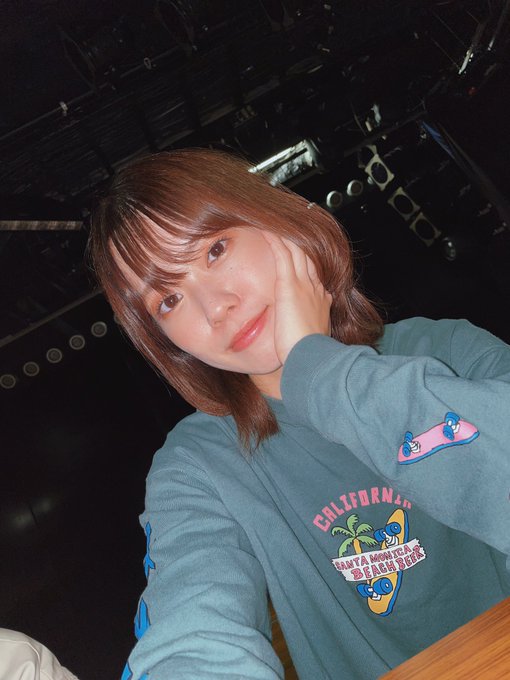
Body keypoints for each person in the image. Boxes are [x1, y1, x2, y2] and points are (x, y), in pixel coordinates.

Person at [89, 149, 510, 680]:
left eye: (215, 249)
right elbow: (192, 623)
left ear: (276, 221)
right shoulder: (197, 466)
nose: (214, 307)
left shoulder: (448, 352)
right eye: (167, 300)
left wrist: (319, 370)